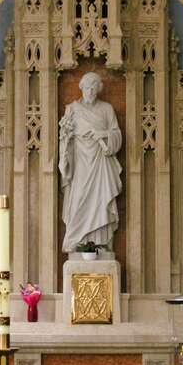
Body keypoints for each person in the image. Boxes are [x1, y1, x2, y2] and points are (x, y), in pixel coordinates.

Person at [59, 72, 122, 253]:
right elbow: (65, 139)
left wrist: (102, 134)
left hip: (100, 164)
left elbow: (116, 135)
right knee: (78, 200)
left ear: (99, 89)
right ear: (82, 88)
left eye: (94, 87)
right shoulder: (72, 109)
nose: (91, 91)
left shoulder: (106, 109)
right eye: (87, 87)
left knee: (101, 202)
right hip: (80, 164)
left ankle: (100, 244)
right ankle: (78, 243)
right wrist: (65, 139)